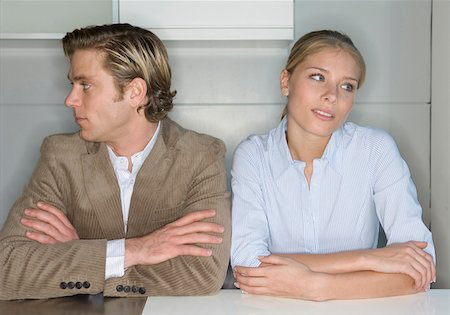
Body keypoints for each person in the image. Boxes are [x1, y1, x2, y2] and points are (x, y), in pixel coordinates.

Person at [0, 24, 231, 300]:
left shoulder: (200, 156)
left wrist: (84, 256)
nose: (70, 100)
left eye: (85, 85)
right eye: (72, 84)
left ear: (135, 92)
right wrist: (135, 250)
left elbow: (202, 273)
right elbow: (7, 268)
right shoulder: (60, 156)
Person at [231, 30, 436, 300]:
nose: (332, 96)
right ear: (286, 81)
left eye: (347, 86)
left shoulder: (375, 149)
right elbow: (248, 266)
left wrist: (317, 287)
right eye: (318, 77)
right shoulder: (254, 156)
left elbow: (420, 268)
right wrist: (370, 259)